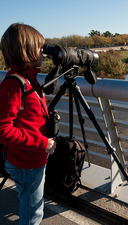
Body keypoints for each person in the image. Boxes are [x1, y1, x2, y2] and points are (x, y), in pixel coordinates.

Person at [0, 23, 56, 225]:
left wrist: (46, 116)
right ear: (28, 50)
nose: (43, 52)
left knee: (28, 203)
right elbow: (3, 130)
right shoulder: (15, 83)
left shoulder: (28, 79)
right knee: (33, 213)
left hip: (28, 158)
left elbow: (25, 115)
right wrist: (42, 144)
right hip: (26, 160)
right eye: (40, 48)